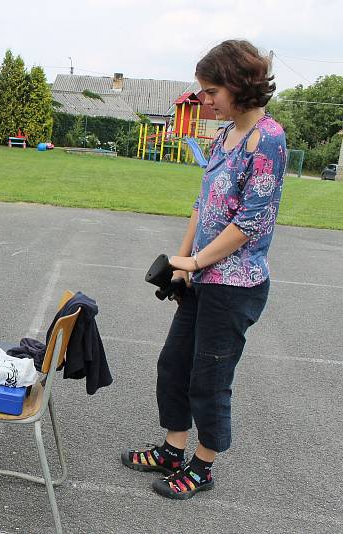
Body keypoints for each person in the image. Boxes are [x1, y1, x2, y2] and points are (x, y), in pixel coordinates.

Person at [122, 40, 286, 500]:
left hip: (235, 286)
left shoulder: (267, 138)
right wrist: (181, 262)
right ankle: (174, 450)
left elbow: (250, 222)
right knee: (174, 364)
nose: (204, 100)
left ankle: (203, 466)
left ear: (239, 85)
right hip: (201, 277)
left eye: (211, 90)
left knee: (209, 377)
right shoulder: (223, 136)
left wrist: (196, 261)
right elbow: (204, 204)